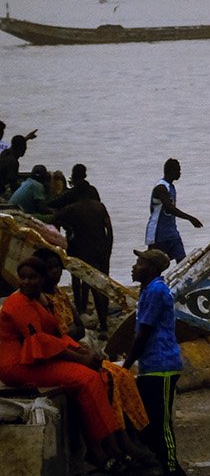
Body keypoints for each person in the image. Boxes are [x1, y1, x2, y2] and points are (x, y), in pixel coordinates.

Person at [0, 250, 153, 471]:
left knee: (98, 376)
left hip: (33, 360)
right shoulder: (19, 304)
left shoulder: (40, 300)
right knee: (86, 378)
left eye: (32, 277)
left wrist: (83, 353)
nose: (26, 282)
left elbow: (57, 336)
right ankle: (100, 450)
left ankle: (108, 445)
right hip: (16, 366)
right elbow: (40, 341)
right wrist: (81, 359)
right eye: (23, 277)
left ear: (42, 280)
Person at [126, 247, 187, 476]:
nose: (134, 267)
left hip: (161, 365)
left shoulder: (155, 291)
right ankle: (159, 464)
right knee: (148, 420)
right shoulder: (149, 290)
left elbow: (144, 332)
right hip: (153, 365)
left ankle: (172, 468)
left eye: (139, 263)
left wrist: (127, 363)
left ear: (151, 268)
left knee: (161, 423)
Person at [51, 186, 114, 333]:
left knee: (88, 282)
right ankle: (104, 324)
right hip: (102, 249)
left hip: (83, 250)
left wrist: (61, 239)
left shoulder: (71, 209)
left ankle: (84, 312)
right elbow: (109, 229)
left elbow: (55, 220)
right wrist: (108, 248)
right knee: (103, 284)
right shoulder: (100, 207)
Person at [147, 159, 203, 263]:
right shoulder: (161, 187)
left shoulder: (171, 187)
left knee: (182, 261)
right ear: (171, 171)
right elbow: (170, 208)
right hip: (158, 233)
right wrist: (190, 218)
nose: (180, 173)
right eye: (178, 170)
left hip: (171, 232)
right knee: (153, 264)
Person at [0, 132, 33, 197]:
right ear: (21, 148)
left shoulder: (5, 153)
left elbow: (15, 145)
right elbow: (13, 185)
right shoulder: (13, 162)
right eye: (24, 146)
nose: (26, 148)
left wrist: (26, 138)